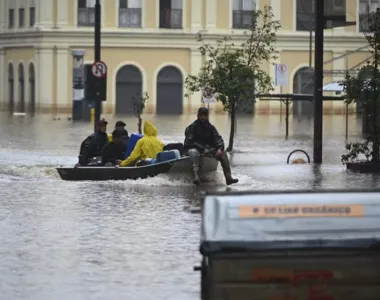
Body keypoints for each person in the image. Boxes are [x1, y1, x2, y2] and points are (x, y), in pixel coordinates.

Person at [184, 107, 238, 185]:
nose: (203, 117)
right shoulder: (192, 127)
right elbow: (189, 141)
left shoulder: (211, 128)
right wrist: (201, 148)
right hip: (194, 149)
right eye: (201, 115)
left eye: (205, 115)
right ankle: (196, 176)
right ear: (198, 116)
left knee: (223, 152)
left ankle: (228, 177)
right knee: (194, 152)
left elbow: (218, 139)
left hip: (207, 150)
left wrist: (220, 148)